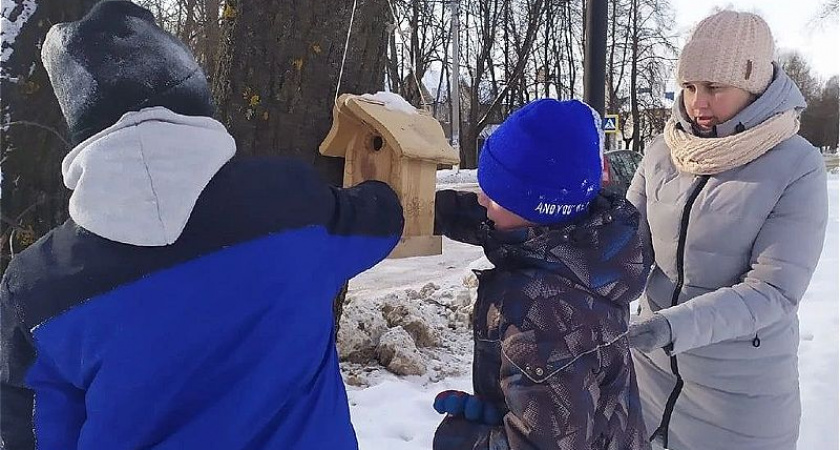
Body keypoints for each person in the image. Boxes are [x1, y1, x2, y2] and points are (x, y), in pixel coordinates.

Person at [0, 2, 404, 449]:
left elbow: (37, 435)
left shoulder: (36, 288)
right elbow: (381, 222)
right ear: (191, 94)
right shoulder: (290, 201)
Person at [625, 10, 828, 450]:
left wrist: (670, 327)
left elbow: (773, 290)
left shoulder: (797, 163)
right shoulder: (663, 151)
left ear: (754, 84)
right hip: (649, 379)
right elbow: (623, 245)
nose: (698, 102)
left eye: (715, 87)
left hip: (740, 398)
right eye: (690, 86)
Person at [432, 98, 652, 450]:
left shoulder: (543, 312)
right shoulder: (588, 250)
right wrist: (425, 210)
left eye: (495, 194)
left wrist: (461, 440)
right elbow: (497, 221)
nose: (483, 201)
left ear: (535, 207)